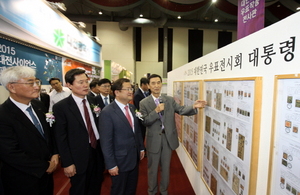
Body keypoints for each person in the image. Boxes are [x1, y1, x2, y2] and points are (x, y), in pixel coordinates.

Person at [139, 74, 207, 195]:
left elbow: (181, 110)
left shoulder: (169, 100)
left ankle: (164, 191)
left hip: (168, 139)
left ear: (161, 84)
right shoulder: (143, 103)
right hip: (153, 140)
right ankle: (152, 191)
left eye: (158, 82)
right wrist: (156, 111)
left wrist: (193, 106)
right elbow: (145, 121)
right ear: (149, 86)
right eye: (153, 83)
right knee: (152, 169)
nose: (156, 86)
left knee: (166, 169)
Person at [0, 66, 59, 194]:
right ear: (12, 87)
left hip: (46, 177)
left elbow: (48, 133)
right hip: (22, 180)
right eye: (30, 83)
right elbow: (9, 153)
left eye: (36, 82)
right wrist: (44, 166)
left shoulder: (38, 106)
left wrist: (54, 153)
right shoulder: (3, 115)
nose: (37, 87)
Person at [53, 68, 104, 195]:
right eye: (80, 82)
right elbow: (60, 137)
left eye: (86, 81)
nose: (85, 85)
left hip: (96, 151)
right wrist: (67, 162)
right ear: (69, 85)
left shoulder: (93, 101)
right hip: (78, 156)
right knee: (79, 189)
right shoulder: (61, 107)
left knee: (96, 186)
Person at [99, 78, 145, 195]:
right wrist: (111, 164)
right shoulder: (107, 112)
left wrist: (140, 147)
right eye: (127, 89)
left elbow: (137, 131)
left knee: (131, 189)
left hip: (133, 158)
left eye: (131, 89)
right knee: (119, 190)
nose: (131, 91)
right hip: (119, 161)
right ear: (117, 92)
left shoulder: (132, 108)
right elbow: (106, 142)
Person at [134, 77, 149, 143]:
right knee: (141, 134)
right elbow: (139, 108)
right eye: (147, 85)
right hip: (141, 119)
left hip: (146, 117)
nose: (148, 87)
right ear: (143, 84)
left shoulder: (147, 92)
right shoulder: (138, 94)